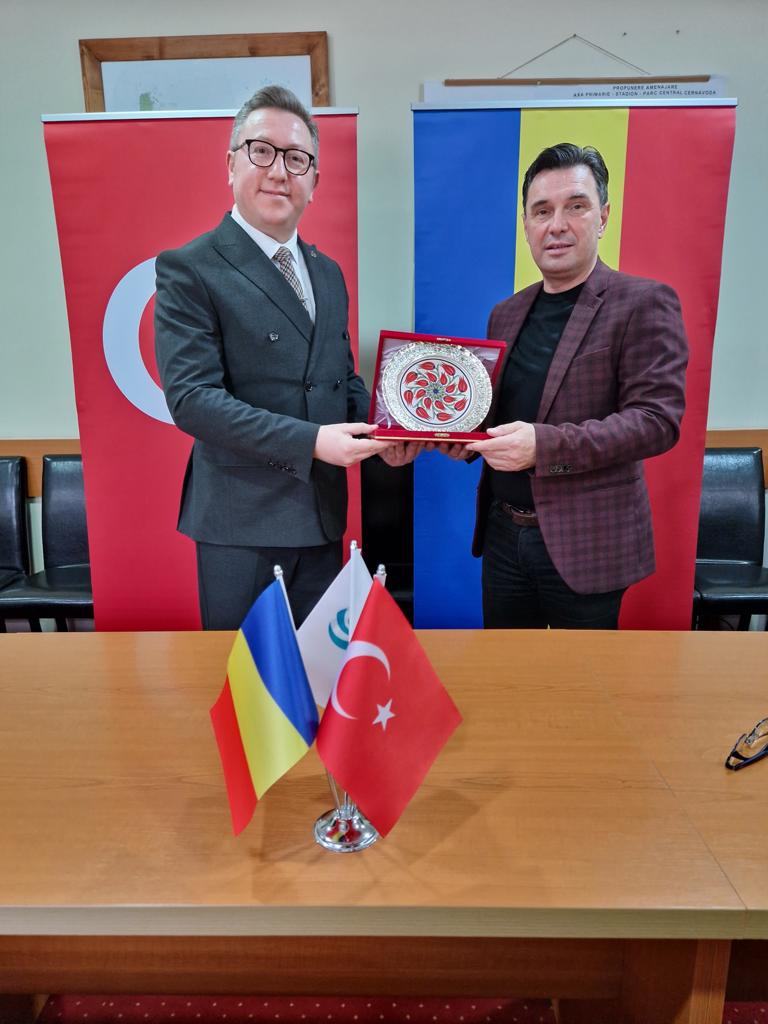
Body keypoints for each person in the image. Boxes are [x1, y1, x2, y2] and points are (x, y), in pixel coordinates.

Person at [155, 85, 406, 629]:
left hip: (322, 518)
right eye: (262, 151)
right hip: (241, 526)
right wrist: (313, 442)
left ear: (314, 182)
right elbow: (193, 400)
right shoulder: (190, 268)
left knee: (320, 672)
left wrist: (388, 431)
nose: (278, 171)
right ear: (231, 165)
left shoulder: (328, 273)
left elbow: (339, 378)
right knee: (251, 677)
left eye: (297, 159)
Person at [455, 142, 688, 629]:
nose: (556, 224)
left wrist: (542, 446)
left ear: (603, 217)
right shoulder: (505, 314)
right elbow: (493, 416)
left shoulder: (643, 302)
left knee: (585, 677)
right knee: (508, 671)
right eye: (542, 211)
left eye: (575, 206)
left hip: (588, 543)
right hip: (503, 534)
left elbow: (656, 422)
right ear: (526, 225)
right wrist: (454, 435)